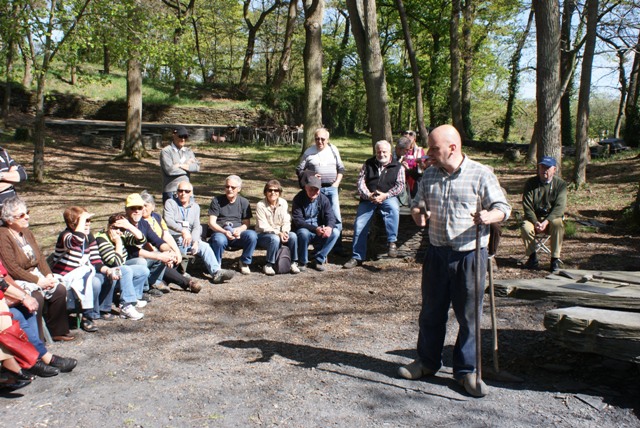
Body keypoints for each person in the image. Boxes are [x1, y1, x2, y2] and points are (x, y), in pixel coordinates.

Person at [397, 125, 511, 398]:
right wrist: (417, 213)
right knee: (431, 313)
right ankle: (426, 362)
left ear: (452, 147)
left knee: (468, 317)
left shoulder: (480, 174)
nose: (428, 154)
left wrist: (488, 217)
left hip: (470, 255)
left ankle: (467, 372)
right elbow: (417, 203)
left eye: (434, 149)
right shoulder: (429, 174)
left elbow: (503, 208)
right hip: (436, 253)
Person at [0, 197, 74, 342]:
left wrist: (48, 275)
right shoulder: (3, 236)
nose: (26, 216)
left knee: (59, 290)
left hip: (35, 274)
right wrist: (38, 281)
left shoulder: (26, 231)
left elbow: (39, 257)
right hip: (17, 279)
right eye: (21, 215)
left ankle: (58, 331)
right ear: (9, 220)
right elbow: (12, 268)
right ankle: (37, 340)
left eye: (27, 212)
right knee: (36, 297)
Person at [51, 206, 118, 333]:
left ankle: (103, 309)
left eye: (89, 221)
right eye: (84, 221)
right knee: (95, 282)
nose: (88, 224)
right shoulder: (65, 236)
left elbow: (96, 260)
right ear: (73, 223)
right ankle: (87, 316)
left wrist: (108, 270)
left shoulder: (88, 237)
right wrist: (81, 222)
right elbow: (76, 241)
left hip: (84, 273)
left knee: (107, 277)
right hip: (67, 277)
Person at [1, 267, 77, 377]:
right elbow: (5, 279)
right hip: (3, 300)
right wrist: (23, 296)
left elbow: (6, 277)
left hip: (5, 295)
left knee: (28, 306)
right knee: (16, 315)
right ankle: (44, 357)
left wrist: (24, 295)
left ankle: (35, 356)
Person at [343, 140, 405, 269]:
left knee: (393, 208)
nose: (381, 154)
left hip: (388, 196)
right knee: (359, 224)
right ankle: (357, 257)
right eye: (379, 152)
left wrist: (385, 195)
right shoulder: (368, 163)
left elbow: (400, 185)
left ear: (389, 152)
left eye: (384, 152)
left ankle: (392, 242)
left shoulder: (398, 166)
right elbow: (360, 182)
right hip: (369, 198)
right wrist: (368, 195)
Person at [164, 182, 235, 284]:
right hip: (174, 237)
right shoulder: (170, 203)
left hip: (190, 238)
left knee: (205, 246)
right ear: (177, 192)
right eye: (180, 191)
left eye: (186, 191)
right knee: (182, 239)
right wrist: (182, 231)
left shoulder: (195, 207)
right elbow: (168, 221)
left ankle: (216, 272)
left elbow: (197, 226)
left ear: (191, 193)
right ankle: (180, 271)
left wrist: (196, 241)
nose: (183, 193)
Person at [140, 190, 205, 293]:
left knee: (175, 259)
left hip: (161, 249)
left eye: (145, 206)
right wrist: (164, 255)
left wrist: (176, 252)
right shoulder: (139, 222)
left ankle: (162, 281)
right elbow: (146, 244)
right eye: (140, 206)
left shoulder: (157, 217)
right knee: (163, 262)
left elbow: (166, 235)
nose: (142, 209)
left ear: (153, 206)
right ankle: (187, 283)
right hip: (149, 254)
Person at [296, 128, 345, 255]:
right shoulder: (309, 151)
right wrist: (311, 175)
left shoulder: (333, 150)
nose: (320, 141)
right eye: (317, 138)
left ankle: (337, 246)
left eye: (323, 139)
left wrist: (336, 184)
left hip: (331, 188)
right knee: (316, 215)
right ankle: (318, 244)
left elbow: (341, 168)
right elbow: (299, 170)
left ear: (328, 140)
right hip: (315, 188)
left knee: (335, 217)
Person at [122, 193, 180, 297]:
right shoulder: (123, 225)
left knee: (162, 254)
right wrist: (159, 255)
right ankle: (140, 290)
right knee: (142, 261)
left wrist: (169, 252)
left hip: (141, 258)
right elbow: (134, 252)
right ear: (126, 210)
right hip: (125, 262)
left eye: (139, 208)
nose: (137, 211)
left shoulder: (144, 224)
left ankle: (149, 285)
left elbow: (158, 241)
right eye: (132, 208)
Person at [95, 213, 150, 320]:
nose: (119, 232)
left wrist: (129, 226)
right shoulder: (101, 239)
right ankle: (126, 306)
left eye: (122, 229)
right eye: (115, 228)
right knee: (126, 269)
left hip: (119, 271)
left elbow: (142, 240)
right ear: (108, 226)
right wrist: (118, 243)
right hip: (107, 274)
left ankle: (133, 298)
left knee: (143, 269)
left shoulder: (122, 234)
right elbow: (117, 263)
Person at [520, 156, 567, 272]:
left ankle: (555, 259)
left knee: (558, 224)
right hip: (534, 219)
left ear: (554, 169)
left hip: (551, 219)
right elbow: (527, 206)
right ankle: (532, 258)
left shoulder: (560, 185)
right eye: (541, 167)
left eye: (547, 168)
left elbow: (559, 208)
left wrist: (546, 222)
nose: (544, 170)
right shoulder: (530, 183)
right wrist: (536, 221)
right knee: (525, 226)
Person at [208, 175, 258, 275]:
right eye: (227, 187)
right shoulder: (217, 201)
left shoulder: (244, 202)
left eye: (233, 187)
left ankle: (244, 262)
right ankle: (216, 266)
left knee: (252, 235)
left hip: (237, 234)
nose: (229, 189)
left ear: (239, 189)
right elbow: (211, 223)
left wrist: (239, 229)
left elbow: (246, 223)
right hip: (221, 232)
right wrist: (224, 232)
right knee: (218, 239)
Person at [292, 173, 339, 271]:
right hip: (306, 230)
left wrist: (329, 227)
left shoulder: (324, 199)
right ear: (305, 187)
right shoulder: (298, 199)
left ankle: (318, 259)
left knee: (335, 232)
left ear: (320, 189)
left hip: (320, 230)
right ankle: (302, 262)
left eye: (316, 189)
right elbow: (298, 221)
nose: (313, 192)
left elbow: (331, 217)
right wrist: (315, 229)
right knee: (303, 232)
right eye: (311, 189)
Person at [255, 179, 300, 275]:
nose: (273, 193)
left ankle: (293, 262)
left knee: (293, 236)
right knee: (274, 239)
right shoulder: (260, 205)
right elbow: (263, 226)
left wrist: (285, 232)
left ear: (279, 192)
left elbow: (286, 221)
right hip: (263, 235)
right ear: (265, 192)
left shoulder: (283, 203)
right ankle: (269, 264)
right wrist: (278, 233)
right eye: (270, 190)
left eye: (276, 190)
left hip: (280, 232)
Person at [160, 126, 200, 204]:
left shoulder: (188, 151)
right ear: (174, 135)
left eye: (185, 137)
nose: (183, 139)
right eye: (180, 136)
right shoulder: (166, 151)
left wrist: (180, 165)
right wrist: (188, 167)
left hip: (187, 191)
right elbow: (170, 170)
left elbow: (197, 167)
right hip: (171, 191)